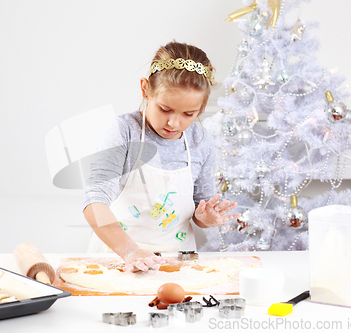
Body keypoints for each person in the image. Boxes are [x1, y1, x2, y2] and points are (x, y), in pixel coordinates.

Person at [82, 41, 240, 272]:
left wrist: (206, 218)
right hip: (118, 259)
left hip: (177, 263)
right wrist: (130, 251)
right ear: (145, 89)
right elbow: (94, 201)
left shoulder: (200, 141)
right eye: (165, 109)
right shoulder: (125, 130)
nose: (174, 123)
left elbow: (199, 211)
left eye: (188, 114)